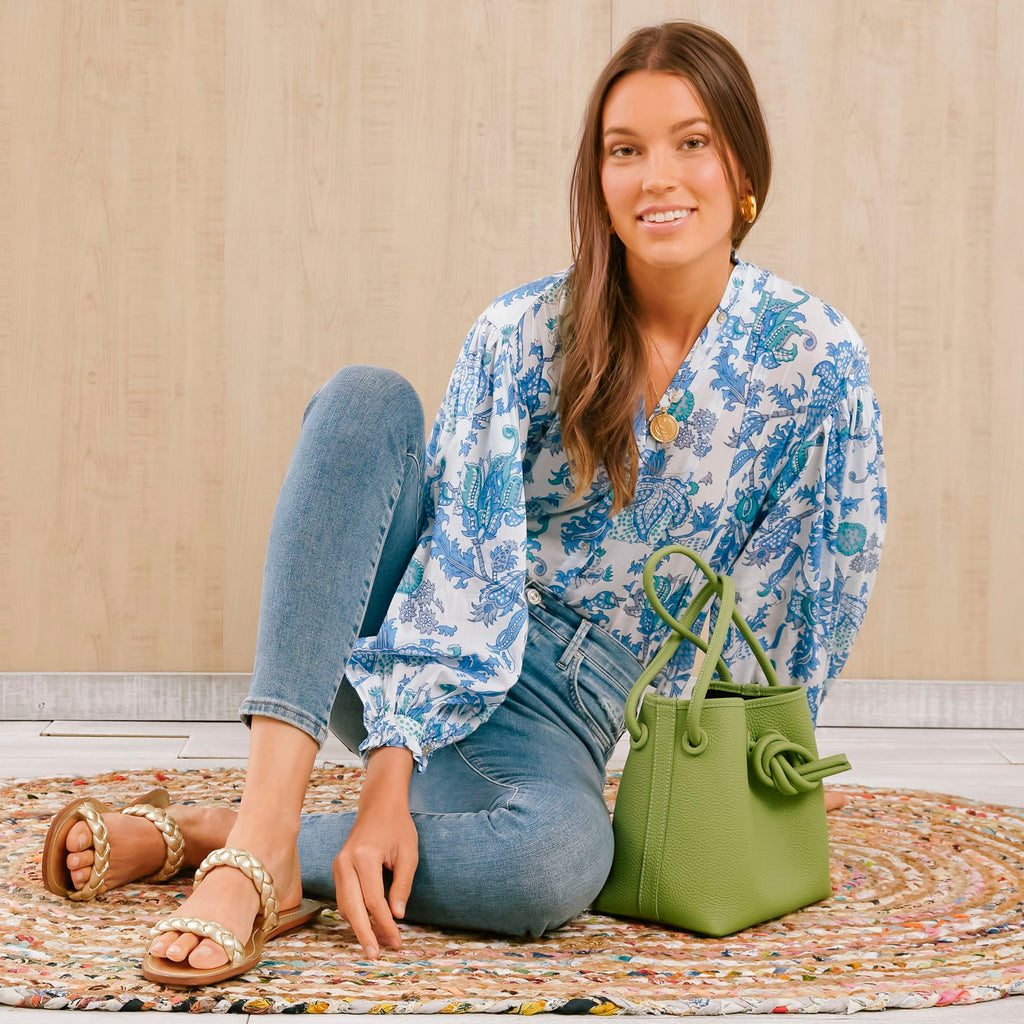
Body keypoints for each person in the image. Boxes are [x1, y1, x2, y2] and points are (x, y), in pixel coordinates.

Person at [45, 20, 886, 985]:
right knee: (366, 399)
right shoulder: (526, 331)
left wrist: (716, 777)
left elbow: (809, 587)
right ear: (598, 186)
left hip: (566, 715)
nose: (658, 177)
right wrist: (388, 773)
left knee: (554, 866)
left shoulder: (816, 360)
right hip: (411, 633)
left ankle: (209, 836)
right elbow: (460, 560)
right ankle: (266, 838)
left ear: (744, 167)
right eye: (625, 150)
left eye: (691, 142)